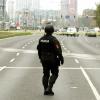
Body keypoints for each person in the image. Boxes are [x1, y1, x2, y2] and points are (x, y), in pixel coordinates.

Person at [37, 24, 64, 96]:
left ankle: (46, 89)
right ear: (52, 31)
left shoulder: (41, 39)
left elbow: (39, 50)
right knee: (55, 73)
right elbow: (58, 50)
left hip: (43, 59)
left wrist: (40, 58)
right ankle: (49, 88)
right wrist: (61, 58)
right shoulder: (54, 40)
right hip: (53, 60)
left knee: (45, 74)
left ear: (45, 30)